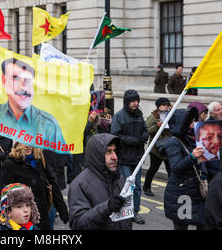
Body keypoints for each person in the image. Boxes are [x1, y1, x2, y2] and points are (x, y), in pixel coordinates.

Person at [0, 58, 66, 149]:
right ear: (4, 80)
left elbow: (61, 157)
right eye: (16, 79)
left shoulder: (48, 123)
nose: (23, 87)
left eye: (28, 80)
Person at [68, 133, 131, 230]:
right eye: (108, 152)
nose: (114, 157)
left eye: (115, 151)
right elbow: (78, 224)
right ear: (97, 155)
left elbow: (126, 219)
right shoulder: (80, 184)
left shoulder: (120, 179)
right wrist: (107, 207)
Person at [1, 142, 69, 230]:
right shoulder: (10, 164)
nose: (28, 146)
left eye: (30, 141)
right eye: (24, 142)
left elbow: (53, 184)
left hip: (43, 215)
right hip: (23, 219)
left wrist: (63, 211)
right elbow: (6, 197)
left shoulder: (40, 159)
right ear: (17, 144)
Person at [163, 107, 206, 230]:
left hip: (196, 191)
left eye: (194, 121)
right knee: (181, 225)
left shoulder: (195, 139)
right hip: (182, 194)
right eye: (190, 123)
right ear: (181, 124)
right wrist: (193, 156)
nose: (193, 126)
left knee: (203, 222)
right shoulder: (173, 142)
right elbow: (176, 167)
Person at [110, 89, 148, 224]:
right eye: (132, 101)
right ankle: (125, 211)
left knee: (137, 187)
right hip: (125, 158)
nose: (135, 103)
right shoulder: (119, 116)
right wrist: (133, 140)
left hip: (137, 158)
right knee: (127, 187)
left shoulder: (139, 115)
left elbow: (145, 129)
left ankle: (135, 212)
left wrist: (144, 136)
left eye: (137, 101)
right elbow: (115, 135)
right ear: (127, 102)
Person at [143, 97, 172, 196]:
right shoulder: (153, 117)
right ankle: (146, 187)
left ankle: (172, 190)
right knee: (153, 169)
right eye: (163, 105)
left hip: (168, 148)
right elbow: (147, 130)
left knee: (171, 171)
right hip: (156, 149)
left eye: (167, 105)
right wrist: (157, 126)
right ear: (158, 107)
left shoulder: (171, 115)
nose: (165, 107)